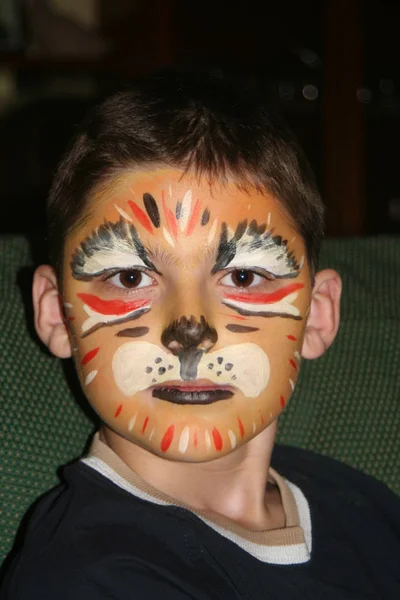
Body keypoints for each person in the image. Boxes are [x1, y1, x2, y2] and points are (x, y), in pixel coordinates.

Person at [1, 71, 399, 599]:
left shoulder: (365, 507)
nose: (190, 333)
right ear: (55, 312)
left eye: (243, 277)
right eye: (129, 277)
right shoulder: (85, 578)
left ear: (318, 315)